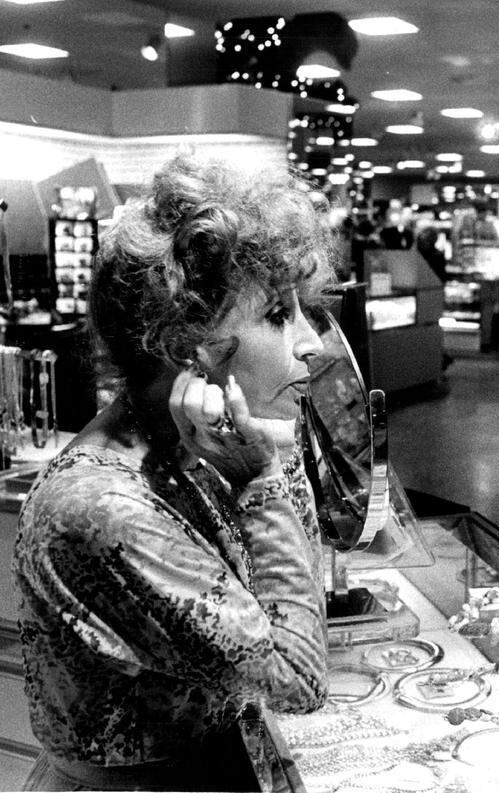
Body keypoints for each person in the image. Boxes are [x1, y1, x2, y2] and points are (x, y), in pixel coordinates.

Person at [15, 155, 333, 790]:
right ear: (187, 340)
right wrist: (262, 482)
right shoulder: (106, 507)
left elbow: (295, 596)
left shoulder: (194, 444)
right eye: (277, 315)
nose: (312, 343)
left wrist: (267, 464)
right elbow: (297, 678)